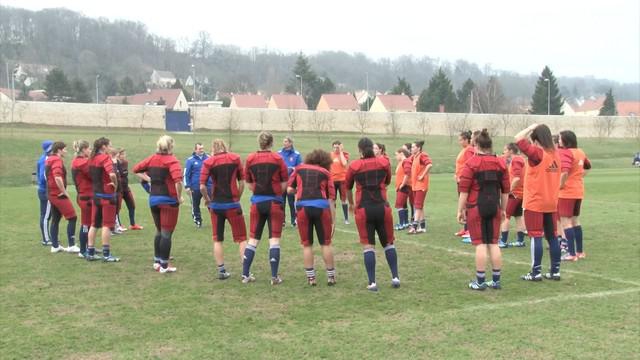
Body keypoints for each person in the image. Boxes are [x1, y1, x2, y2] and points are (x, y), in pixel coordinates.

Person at [457, 129, 510, 290]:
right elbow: (506, 190)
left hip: (476, 207)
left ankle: (480, 281)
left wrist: (460, 210)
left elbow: (464, 190)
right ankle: (496, 281)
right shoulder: (501, 162)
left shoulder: (472, 163)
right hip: (494, 206)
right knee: (493, 243)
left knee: (480, 244)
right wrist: (503, 210)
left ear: (476, 144)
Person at [346, 137, 399, 292]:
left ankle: (372, 282)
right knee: (389, 243)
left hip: (364, 209)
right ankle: (395, 277)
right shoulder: (383, 162)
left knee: (368, 246)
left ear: (360, 149)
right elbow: (388, 181)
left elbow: (348, 187)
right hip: (382, 207)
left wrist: (351, 203)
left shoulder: (355, 165)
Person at [515, 124, 562, 281]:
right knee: (552, 236)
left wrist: (530, 127)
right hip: (551, 202)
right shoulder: (556, 154)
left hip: (535, 201)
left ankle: (536, 272)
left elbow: (518, 139)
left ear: (536, 140)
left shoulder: (538, 154)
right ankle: (555, 270)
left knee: (535, 236)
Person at [242, 132, 289, 285]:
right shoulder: (278, 158)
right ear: (271, 143)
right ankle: (274, 277)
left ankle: (245, 275)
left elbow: (248, 183)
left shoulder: (250, 158)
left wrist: (258, 191)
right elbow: (284, 183)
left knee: (253, 239)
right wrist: (275, 193)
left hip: (257, 202)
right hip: (274, 203)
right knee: (274, 240)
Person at [133, 135, 184, 273]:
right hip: (168, 201)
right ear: (171, 146)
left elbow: (136, 169)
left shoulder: (152, 158)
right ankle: (164, 266)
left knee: (159, 231)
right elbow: (178, 181)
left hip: (153, 199)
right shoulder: (172, 161)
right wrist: (179, 197)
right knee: (166, 234)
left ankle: (157, 261)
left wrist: (150, 179)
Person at [287, 149, 337, 286]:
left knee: (307, 244)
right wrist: (333, 221)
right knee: (325, 243)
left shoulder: (299, 169)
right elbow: (331, 199)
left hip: (303, 207)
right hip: (321, 207)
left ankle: (311, 278)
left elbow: (289, 189)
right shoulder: (326, 173)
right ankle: (331, 276)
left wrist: (300, 191)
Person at [199, 139, 247, 280]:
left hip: (216, 205)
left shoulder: (208, 162)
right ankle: (245, 272)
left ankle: (221, 270)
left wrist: (207, 199)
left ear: (213, 148)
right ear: (225, 146)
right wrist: (238, 196)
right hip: (232, 204)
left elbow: (202, 186)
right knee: (242, 239)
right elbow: (242, 181)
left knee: (217, 239)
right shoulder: (235, 158)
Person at [558, 130, 591, 261]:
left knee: (566, 222)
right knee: (576, 221)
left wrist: (560, 185)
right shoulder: (580, 152)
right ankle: (580, 252)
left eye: (560, 139)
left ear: (566, 140)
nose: (559, 141)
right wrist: (579, 177)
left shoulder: (567, 153)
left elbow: (564, 172)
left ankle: (571, 254)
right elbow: (588, 167)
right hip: (578, 191)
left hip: (567, 193)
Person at [87, 137, 120, 262]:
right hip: (107, 196)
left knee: (94, 224)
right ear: (104, 147)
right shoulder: (105, 158)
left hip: (96, 195)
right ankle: (106, 254)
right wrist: (115, 184)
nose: (111, 147)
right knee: (107, 225)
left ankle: (90, 252)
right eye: (110, 145)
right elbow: (111, 174)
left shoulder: (91, 158)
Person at [45, 141, 79, 253]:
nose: (66, 151)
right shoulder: (56, 160)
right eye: (64, 149)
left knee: (56, 219)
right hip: (58, 194)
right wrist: (64, 191)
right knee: (72, 217)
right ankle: (71, 245)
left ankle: (55, 246)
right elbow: (57, 177)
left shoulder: (49, 159)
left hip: (51, 193)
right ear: (59, 150)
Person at [499, 143, 527, 248]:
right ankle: (520, 241)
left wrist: (509, 190)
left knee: (505, 216)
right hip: (521, 194)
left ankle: (503, 241)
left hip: (515, 194)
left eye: (505, 150)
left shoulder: (516, 160)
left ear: (511, 151)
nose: (504, 152)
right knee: (518, 217)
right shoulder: (520, 159)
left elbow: (517, 178)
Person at [71, 140, 93, 258]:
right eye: (89, 149)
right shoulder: (82, 162)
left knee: (89, 223)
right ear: (84, 149)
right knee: (86, 224)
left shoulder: (78, 161)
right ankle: (83, 250)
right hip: (86, 196)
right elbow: (93, 175)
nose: (90, 151)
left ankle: (89, 247)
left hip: (84, 195)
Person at [408, 140, 433, 234]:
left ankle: (414, 226)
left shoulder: (422, 155)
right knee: (419, 206)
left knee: (417, 206)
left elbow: (430, 164)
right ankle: (422, 227)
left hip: (421, 185)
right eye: (411, 147)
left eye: (414, 147)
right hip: (415, 185)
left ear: (418, 148)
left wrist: (422, 175)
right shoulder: (414, 157)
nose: (412, 148)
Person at [278, 136, 302, 227]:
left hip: (292, 182)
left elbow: (300, 167)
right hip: (281, 182)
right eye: (283, 141)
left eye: (286, 141)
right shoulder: (279, 153)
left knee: (292, 202)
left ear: (291, 143)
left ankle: (293, 220)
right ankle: (282, 221)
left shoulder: (296, 154)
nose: (284, 143)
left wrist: (293, 168)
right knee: (281, 202)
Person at [454, 130, 474, 238]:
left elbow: (469, 165)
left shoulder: (469, 150)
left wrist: (462, 176)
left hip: (465, 180)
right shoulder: (464, 150)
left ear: (467, 140)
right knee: (464, 205)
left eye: (461, 140)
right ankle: (466, 228)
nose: (459, 142)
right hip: (460, 180)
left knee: (466, 204)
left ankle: (469, 229)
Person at [183, 143, 209, 228]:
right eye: (199, 149)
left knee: (211, 203)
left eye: (202, 148)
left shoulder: (209, 158)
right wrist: (187, 186)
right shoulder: (190, 160)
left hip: (208, 186)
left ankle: (216, 219)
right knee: (195, 204)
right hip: (195, 187)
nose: (202, 150)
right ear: (195, 150)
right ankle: (198, 221)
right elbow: (186, 174)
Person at [118, 149, 143, 230]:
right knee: (117, 208)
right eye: (121, 154)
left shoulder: (126, 162)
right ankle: (118, 225)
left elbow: (124, 175)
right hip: (119, 189)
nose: (123, 156)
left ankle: (132, 224)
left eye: (124, 154)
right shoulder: (114, 163)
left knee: (132, 205)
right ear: (118, 155)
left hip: (126, 188)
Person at [330, 140, 352, 225]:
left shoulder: (344, 154)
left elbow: (344, 163)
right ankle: (333, 218)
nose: (336, 149)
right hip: (332, 180)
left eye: (338, 147)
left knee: (344, 200)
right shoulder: (330, 155)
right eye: (334, 147)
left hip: (342, 180)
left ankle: (346, 219)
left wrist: (341, 151)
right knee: (332, 200)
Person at [36, 140, 53, 246]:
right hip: (45, 191)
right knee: (46, 215)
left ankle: (47, 237)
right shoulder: (45, 159)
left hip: (43, 190)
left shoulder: (43, 158)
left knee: (46, 214)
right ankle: (46, 239)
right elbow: (43, 177)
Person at [393, 147, 412, 230]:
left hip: (404, 186)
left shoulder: (405, 161)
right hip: (401, 186)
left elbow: (407, 174)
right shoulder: (401, 162)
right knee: (403, 205)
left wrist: (402, 184)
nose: (395, 157)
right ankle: (405, 223)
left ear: (401, 154)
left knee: (399, 205)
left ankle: (401, 224)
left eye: (396, 155)